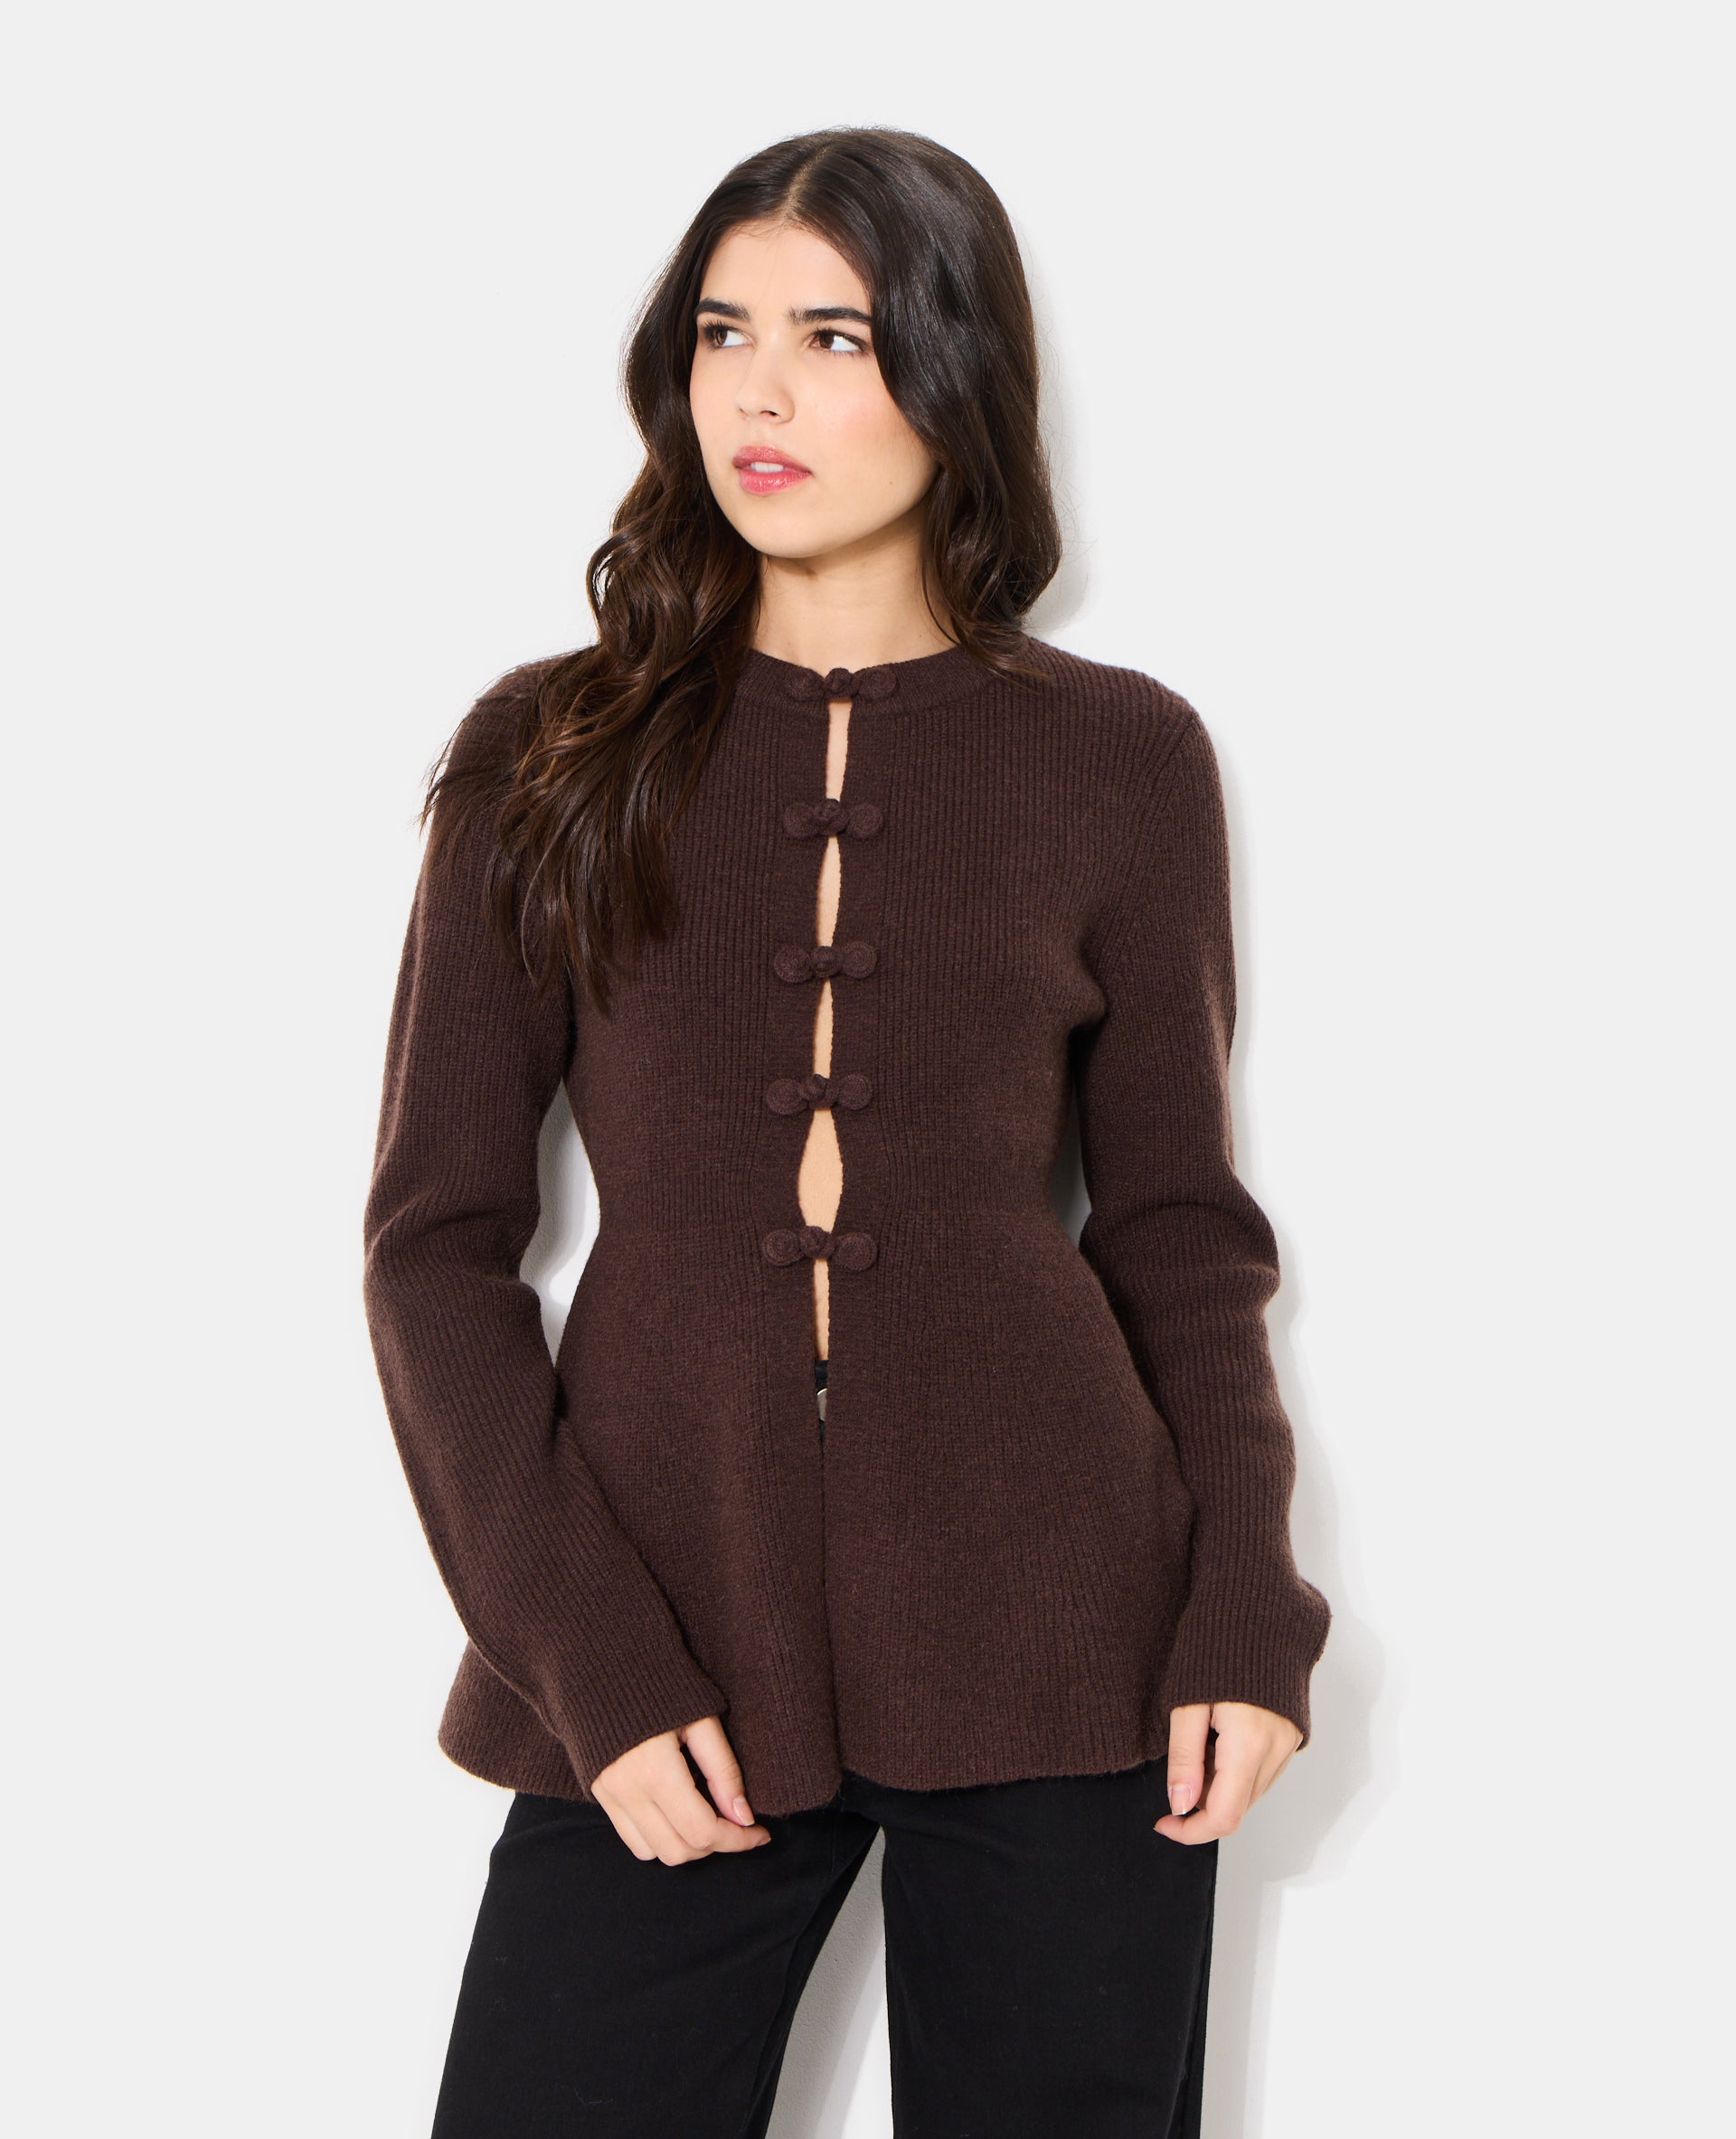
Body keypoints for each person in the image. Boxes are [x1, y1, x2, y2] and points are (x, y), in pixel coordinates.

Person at [363, 125, 1331, 2139]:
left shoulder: (1121, 756)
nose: (761, 392)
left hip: (1071, 1635)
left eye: (835, 336)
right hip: (663, 1629)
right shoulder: (547, 749)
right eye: (724, 332)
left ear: (956, 374)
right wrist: (588, 1662)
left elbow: (1178, 1227)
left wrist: (1247, 1602)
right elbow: (434, 1251)